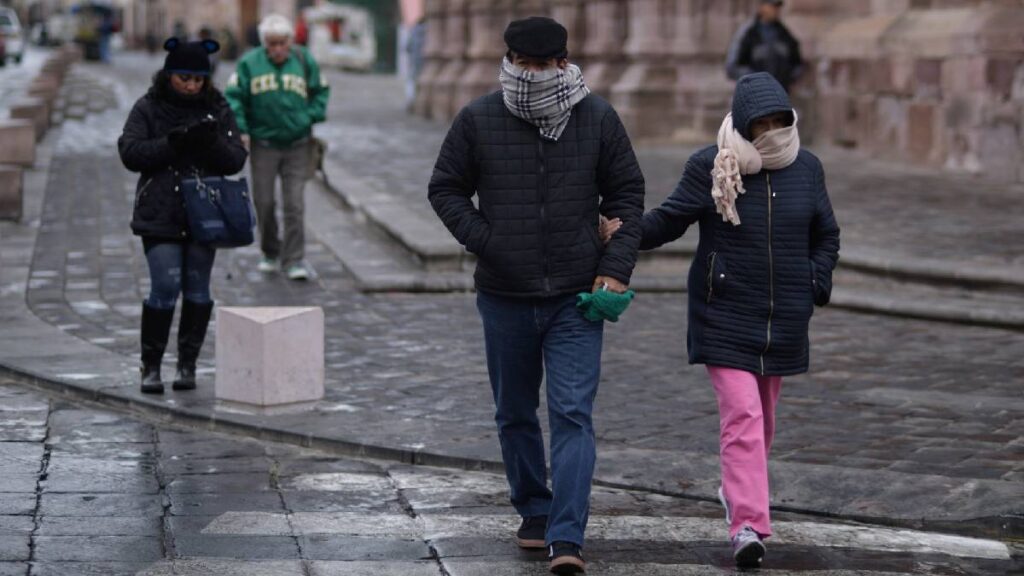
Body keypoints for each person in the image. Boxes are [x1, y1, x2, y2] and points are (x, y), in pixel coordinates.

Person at [428, 16, 645, 575]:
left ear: (562, 63)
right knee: (514, 412)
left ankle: (567, 536)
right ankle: (534, 509)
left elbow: (627, 196)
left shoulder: (597, 117)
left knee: (572, 413)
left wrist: (614, 266)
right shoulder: (478, 118)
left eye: (543, 65)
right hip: (504, 294)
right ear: (509, 61)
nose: (533, 74)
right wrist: (488, 241)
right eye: (523, 64)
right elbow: (445, 188)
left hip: (576, 297)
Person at [603, 72, 839, 569]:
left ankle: (737, 488)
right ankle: (747, 525)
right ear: (745, 124)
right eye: (762, 124)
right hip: (724, 313)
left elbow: (826, 234)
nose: (771, 132)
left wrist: (814, 280)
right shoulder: (712, 165)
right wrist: (621, 234)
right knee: (743, 417)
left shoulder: (807, 168)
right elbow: (669, 219)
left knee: (762, 421)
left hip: (783, 318)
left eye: (779, 122)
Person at [118, 37, 248, 394]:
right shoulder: (148, 107)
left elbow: (236, 158)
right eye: (184, 78)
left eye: (198, 79)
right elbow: (130, 152)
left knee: (198, 288)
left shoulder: (217, 108)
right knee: (164, 285)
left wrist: (210, 142)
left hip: (205, 212)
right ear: (169, 75)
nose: (191, 86)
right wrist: (171, 143)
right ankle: (151, 366)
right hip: (160, 210)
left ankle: (187, 364)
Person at [225, 14, 330, 280]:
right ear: (265, 44)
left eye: (283, 43)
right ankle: (270, 251)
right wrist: (242, 128)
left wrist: (309, 116)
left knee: (294, 203)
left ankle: (294, 259)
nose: (278, 49)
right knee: (265, 202)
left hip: (298, 144)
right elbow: (234, 97)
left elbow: (321, 90)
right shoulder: (249, 63)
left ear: (290, 42)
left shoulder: (304, 60)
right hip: (264, 144)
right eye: (272, 44)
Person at [726, 0, 804, 92]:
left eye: (777, 7)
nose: (776, 10)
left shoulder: (785, 35)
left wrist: (787, 79)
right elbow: (732, 67)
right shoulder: (747, 33)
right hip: (755, 95)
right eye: (772, 6)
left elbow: (797, 64)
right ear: (762, 7)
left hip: (779, 95)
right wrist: (755, 80)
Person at [403, 17, 426, 111]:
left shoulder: (413, 32)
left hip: (414, 62)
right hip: (427, 63)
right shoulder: (430, 32)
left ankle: (411, 102)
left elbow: (407, 47)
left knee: (411, 82)